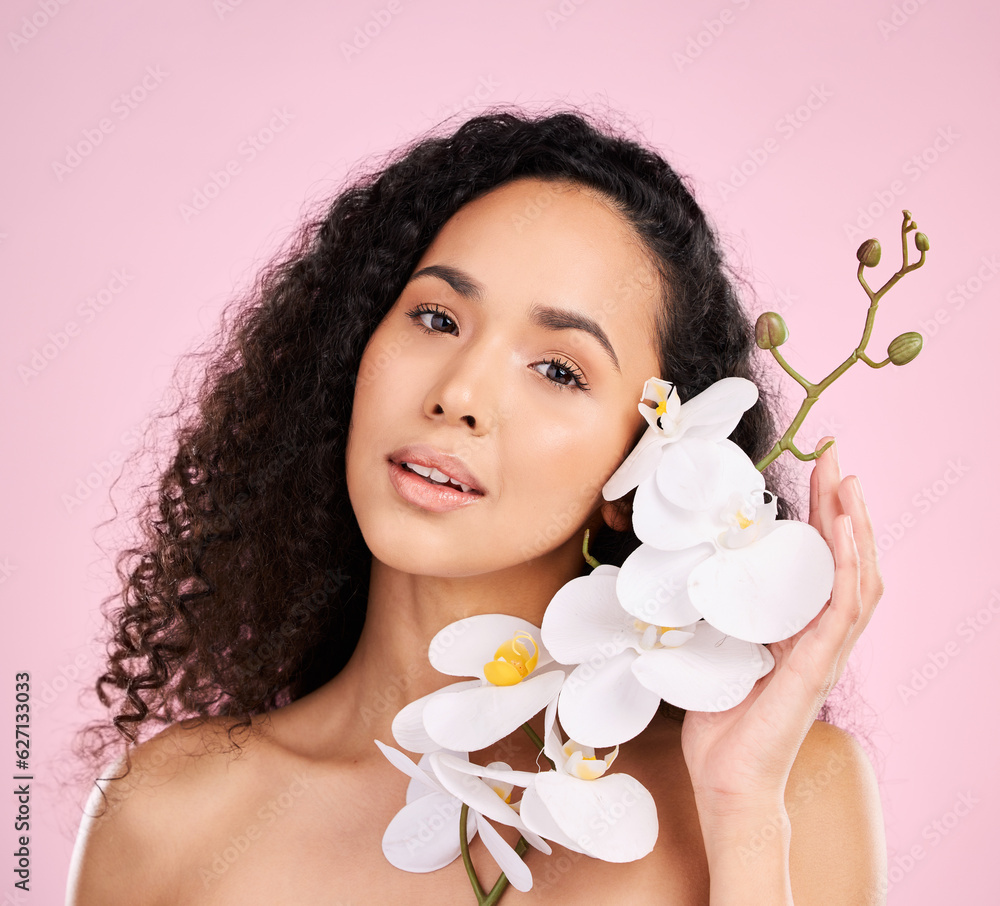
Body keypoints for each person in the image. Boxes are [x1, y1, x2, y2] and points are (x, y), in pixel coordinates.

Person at [65, 107, 886, 904]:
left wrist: (742, 814)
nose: (458, 394)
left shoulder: (784, 795)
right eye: (435, 317)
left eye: (559, 369)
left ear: (646, 472)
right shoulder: (167, 816)